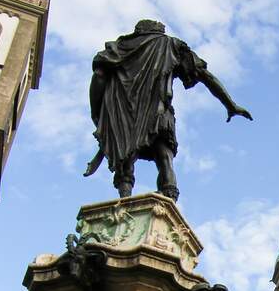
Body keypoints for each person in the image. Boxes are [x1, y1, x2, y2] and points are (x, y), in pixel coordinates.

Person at [83, 19, 251, 199]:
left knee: (125, 160)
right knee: (164, 156)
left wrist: (97, 113)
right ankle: (168, 207)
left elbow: (99, 77)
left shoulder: (119, 48)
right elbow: (204, 75)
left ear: (138, 31)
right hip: (158, 111)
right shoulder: (170, 44)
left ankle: (124, 203)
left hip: (121, 113)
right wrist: (230, 104)